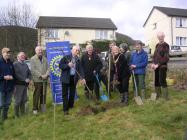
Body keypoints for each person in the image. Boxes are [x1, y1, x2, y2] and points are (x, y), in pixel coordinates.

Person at [59, 45, 85, 115]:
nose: (77, 51)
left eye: (78, 50)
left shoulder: (78, 59)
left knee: (72, 93)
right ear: (72, 50)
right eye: (76, 50)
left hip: (73, 78)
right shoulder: (66, 57)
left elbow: (81, 69)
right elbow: (60, 66)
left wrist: (82, 78)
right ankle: (65, 109)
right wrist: (68, 65)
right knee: (65, 94)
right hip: (65, 78)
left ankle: (70, 105)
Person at [30, 46, 49, 114]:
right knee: (36, 95)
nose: (40, 51)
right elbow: (33, 70)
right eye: (38, 50)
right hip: (37, 80)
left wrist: (46, 75)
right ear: (36, 51)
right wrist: (41, 76)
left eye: (41, 50)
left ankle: (43, 108)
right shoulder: (32, 59)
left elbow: (48, 68)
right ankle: (35, 109)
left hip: (45, 80)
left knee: (43, 94)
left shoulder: (45, 59)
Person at [151, 32, 169, 100]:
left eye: (161, 36)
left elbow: (166, 58)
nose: (160, 38)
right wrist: (153, 63)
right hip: (156, 66)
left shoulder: (166, 45)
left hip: (162, 66)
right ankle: (158, 95)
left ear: (164, 36)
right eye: (159, 36)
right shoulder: (157, 45)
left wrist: (158, 64)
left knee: (162, 80)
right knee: (156, 81)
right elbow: (155, 56)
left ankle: (165, 97)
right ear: (157, 37)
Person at [13, 52, 31, 117]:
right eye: (21, 56)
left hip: (25, 85)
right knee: (17, 101)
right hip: (18, 85)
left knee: (23, 100)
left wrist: (29, 78)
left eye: (24, 55)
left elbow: (29, 73)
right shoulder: (15, 64)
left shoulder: (25, 64)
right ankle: (16, 115)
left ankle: (22, 114)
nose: (23, 57)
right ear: (18, 57)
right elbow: (16, 74)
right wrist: (24, 79)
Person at [0, 48, 15, 121]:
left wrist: (12, 77)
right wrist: (4, 77)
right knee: (1, 104)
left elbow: (13, 74)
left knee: (8, 104)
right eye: (7, 53)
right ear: (2, 53)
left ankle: (4, 118)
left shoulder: (11, 63)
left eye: (9, 53)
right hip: (1, 87)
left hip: (10, 87)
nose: (8, 54)